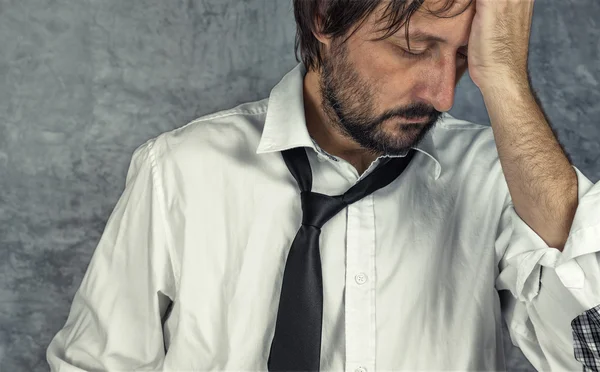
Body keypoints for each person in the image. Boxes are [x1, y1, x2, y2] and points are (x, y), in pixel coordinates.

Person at [47, 0, 600, 370]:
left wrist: (503, 75)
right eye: (412, 47)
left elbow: (592, 348)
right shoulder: (178, 171)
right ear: (325, 16)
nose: (442, 95)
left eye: (463, 59)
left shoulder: (499, 179)